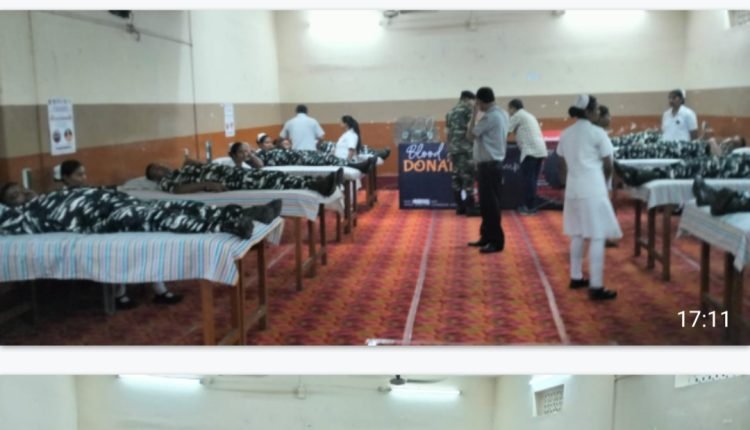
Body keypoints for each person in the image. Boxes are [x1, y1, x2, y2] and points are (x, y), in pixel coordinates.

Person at [0, 186, 282, 309]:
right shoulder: (25, 216)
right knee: (158, 218)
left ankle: (246, 212)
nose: (23, 193)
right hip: (100, 219)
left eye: (21, 189)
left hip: (116, 202)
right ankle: (228, 224)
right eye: (15, 195)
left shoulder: (45, 196)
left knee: (178, 206)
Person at [557, 95, 621, 300]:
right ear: (589, 112)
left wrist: (566, 183)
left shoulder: (566, 133)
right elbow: (608, 164)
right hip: (592, 189)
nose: (598, 113)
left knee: (577, 234)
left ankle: (575, 276)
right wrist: (604, 184)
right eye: (596, 109)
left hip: (573, 189)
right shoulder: (597, 133)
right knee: (597, 235)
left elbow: (561, 163)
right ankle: (596, 285)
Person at [145, 159, 342, 197]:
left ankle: (318, 181)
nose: (162, 168)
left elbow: (203, 165)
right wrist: (208, 184)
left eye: (160, 165)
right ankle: (317, 185)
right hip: (228, 181)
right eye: (157, 170)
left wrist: (194, 163)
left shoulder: (180, 170)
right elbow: (179, 190)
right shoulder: (166, 182)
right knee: (273, 182)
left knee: (275, 175)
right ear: (155, 178)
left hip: (232, 173)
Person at [465, 87, 508, 254]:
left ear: (481, 101)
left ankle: (496, 241)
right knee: (486, 204)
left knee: (490, 205)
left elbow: (470, 135)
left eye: (477, 103)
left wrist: (474, 114)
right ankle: (486, 236)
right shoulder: (502, 113)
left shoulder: (490, 117)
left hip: (489, 166)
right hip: (492, 165)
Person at [255, 131, 373, 172]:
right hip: (298, 160)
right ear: (259, 144)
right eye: (266, 143)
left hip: (299, 155)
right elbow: (260, 165)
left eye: (270, 142)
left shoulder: (274, 149)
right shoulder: (259, 154)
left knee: (322, 155)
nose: (270, 145)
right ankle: (355, 166)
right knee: (326, 159)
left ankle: (354, 164)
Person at [614, 152, 750, 187]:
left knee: (696, 168)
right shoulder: (738, 153)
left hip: (736, 167)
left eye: (735, 141)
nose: (731, 142)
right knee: (687, 164)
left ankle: (641, 176)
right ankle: (641, 173)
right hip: (729, 161)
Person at [508, 98, 547, 215]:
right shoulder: (530, 115)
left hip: (530, 151)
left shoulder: (517, 115)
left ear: (513, 108)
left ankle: (529, 207)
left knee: (528, 180)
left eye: (509, 109)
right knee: (533, 180)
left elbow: (506, 131)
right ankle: (532, 205)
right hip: (540, 150)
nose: (509, 112)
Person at [445, 90, 479, 216]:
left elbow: (447, 133)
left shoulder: (450, 112)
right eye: (473, 101)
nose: (474, 103)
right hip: (466, 150)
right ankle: (470, 208)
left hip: (454, 150)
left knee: (456, 178)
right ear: (467, 99)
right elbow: (474, 129)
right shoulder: (469, 111)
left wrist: (449, 150)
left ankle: (460, 207)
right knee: (468, 178)